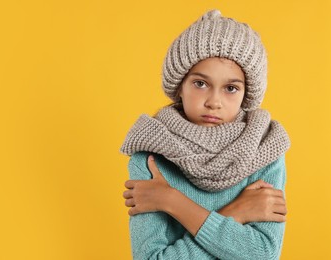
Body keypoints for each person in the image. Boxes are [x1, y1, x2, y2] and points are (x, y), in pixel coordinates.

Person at [119, 9, 291, 260]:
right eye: (200, 83)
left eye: (231, 88)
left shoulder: (264, 149)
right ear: (180, 86)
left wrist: (173, 201)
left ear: (247, 94)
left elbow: (263, 254)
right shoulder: (150, 158)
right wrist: (236, 214)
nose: (214, 101)